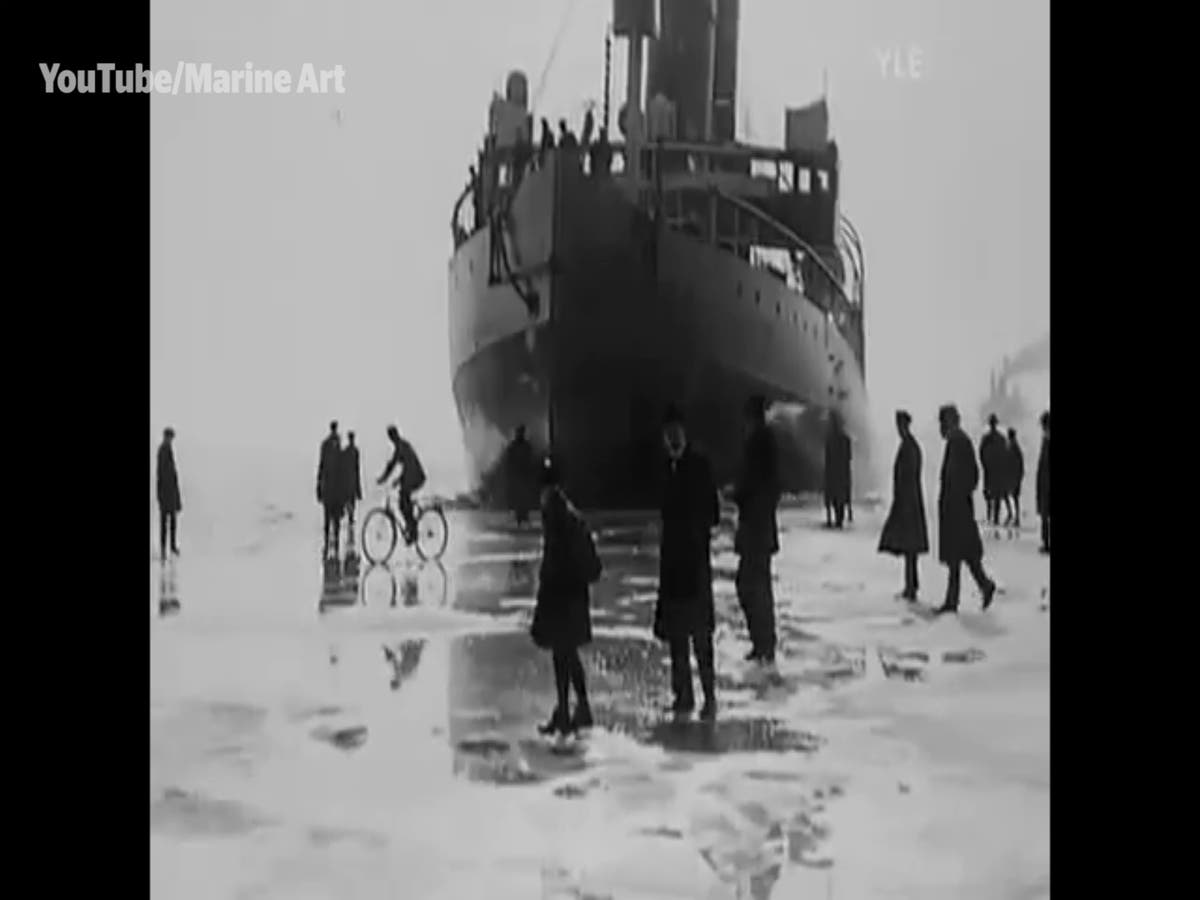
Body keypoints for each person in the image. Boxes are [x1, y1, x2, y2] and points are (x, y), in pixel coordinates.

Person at [653, 405, 720, 720]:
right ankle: (683, 696)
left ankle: (709, 695)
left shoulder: (699, 465)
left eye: (676, 432)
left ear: (684, 433)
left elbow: (713, 512)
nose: (672, 438)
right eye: (668, 435)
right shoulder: (666, 469)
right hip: (672, 565)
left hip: (693, 563)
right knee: (678, 638)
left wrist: (695, 532)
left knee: (701, 637)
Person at [530, 458, 600, 736]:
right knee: (565, 653)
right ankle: (573, 709)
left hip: (562, 595)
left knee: (564, 654)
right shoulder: (564, 512)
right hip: (570, 594)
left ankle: (570, 710)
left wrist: (545, 585)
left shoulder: (557, 516)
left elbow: (555, 560)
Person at [935, 404, 997, 614]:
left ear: (950, 421)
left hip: (957, 509)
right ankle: (983, 587)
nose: (940, 427)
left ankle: (954, 601)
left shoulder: (959, 442)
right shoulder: (958, 441)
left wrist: (958, 495)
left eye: (942, 422)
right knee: (966, 555)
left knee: (958, 556)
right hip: (958, 508)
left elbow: (970, 475)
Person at [734, 396, 780, 664]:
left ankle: (762, 642)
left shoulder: (757, 443)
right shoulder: (766, 442)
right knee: (758, 585)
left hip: (755, 527)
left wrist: (736, 493)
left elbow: (753, 484)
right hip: (761, 527)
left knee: (750, 585)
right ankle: (764, 642)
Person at [877, 410, 930, 601]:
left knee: (909, 547)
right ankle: (911, 584)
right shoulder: (909, 446)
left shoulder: (909, 447)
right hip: (909, 500)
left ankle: (911, 587)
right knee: (910, 548)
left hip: (909, 502)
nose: (898, 429)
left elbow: (908, 476)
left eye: (899, 425)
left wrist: (903, 499)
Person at [376, 425, 427, 545]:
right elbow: (402, 466)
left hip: (417, 477)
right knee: (403, 502)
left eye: (391, 437)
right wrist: (397, 480)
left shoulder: (402, 447)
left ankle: (413, 530)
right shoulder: (401, 446)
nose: (391, 439)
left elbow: (395, 465)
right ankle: (411, 527)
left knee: (403, 502)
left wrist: (384, 478)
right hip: (411, 476)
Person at [316, 421, 344, 559]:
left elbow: (321, 466)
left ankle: (328, 543)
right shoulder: (336, 445)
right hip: (335, 488)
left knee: (329, 517)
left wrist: (319, 485)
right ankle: (334, 543)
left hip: (330, 487)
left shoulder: (327, 445)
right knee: (334, 518)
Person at [502, 424, 538, 526]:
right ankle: (520, 517)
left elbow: (530, 460)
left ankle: (523, 516)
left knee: (522, 497)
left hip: (523, 475)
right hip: (519, 476)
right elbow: (510, 461)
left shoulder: (522, 446)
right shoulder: (518, 446)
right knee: (520, 497)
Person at [156, 427, 182, 560]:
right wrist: (161, 495)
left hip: (170, 492)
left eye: (171, 438)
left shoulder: (167, 450)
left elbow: (171, 475)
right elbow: (162, 475)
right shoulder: (163, 451)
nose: (170, 440)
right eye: (169, 437)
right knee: (165, 523)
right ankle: (164, 549)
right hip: (166, 493)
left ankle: (171, 546)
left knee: (172, 521)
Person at [823, 413, 852, 528]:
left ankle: (838, 517)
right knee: (839, 496)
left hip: (835, 472)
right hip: (840, 471)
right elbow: (848, 457)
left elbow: (828, 458)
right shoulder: (844, 439)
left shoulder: (831, 439)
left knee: (836, 496)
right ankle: (839, 517)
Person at [979, 414, 1007, 528]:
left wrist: (985, 463)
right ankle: (993, 517)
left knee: (991, 494)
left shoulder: (988, 438)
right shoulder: (1000, 438)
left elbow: (981, 452)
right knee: (994, 494)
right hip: (995, 469)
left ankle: (991, 516)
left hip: (991, 469)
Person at [341, 431, 363, 551]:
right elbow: (357, 468)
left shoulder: (347, 452)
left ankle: (349, 520)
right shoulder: (355, 451)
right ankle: (350, 520)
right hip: (352, 480)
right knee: (351, 501)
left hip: (348, 480)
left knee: (348, 501)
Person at [1004, 427, 1025, 527]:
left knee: (1011, 496)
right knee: (1013, 497)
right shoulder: (1014, 446)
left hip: (1012, 476)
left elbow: (1015, 462)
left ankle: (1013, 516)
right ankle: (1014, 516)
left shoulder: (1012, 447)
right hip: (1013, 476)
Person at [1036, 411, 1050, 554]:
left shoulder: (1046, 442)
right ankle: (1046, 542)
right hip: (1045, 485)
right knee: (1045, 517)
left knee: (1046, 516)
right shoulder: (1045, 441)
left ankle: (1047, 543)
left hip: (1046, 486)